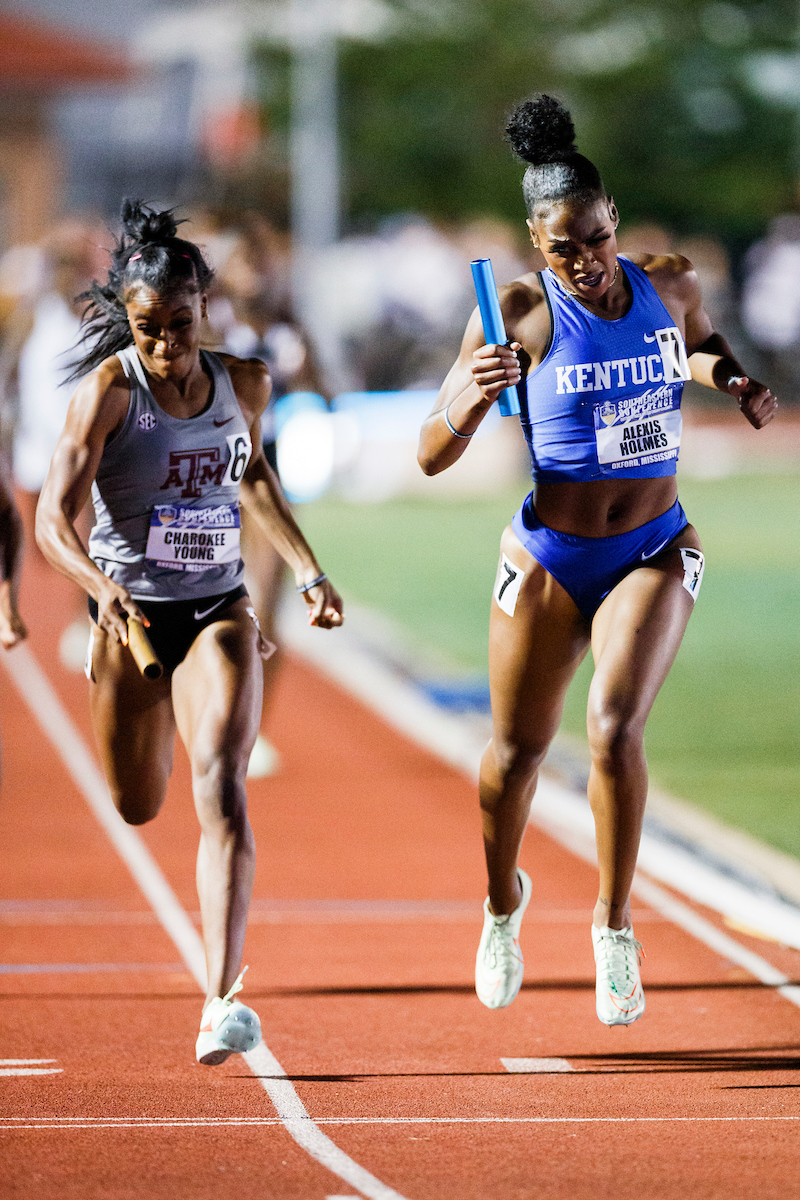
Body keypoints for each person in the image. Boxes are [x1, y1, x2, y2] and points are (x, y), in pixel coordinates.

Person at [418, 95, 776, 1027]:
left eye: (595, 239)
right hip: (549, 554)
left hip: (653, 543)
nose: (584, 262)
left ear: (614, 220)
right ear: (537, 247)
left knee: (614, 728)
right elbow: (428, 451)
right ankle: (503, 904)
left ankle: (615, 930)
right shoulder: (519, 316)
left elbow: (694, 344)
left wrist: (731, 378)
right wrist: (472, 398)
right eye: (563, 248)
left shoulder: (672, 282)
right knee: (516, 753)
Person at [36, 200, 344, 1063]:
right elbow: (52, 524)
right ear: (127, 323)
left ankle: (220, 998)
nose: (167, 347)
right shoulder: (107, 395)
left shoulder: (244, 382)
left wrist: (310, 569)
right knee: (139, 804)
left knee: (224, 787)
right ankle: (153, 724)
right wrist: (103, 591)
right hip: (130, 613)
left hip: (216, 606)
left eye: (179, 324)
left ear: (205, 307)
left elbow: (255, 483)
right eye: (148, 330)